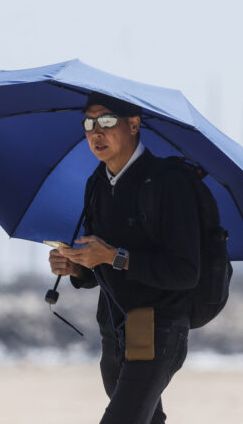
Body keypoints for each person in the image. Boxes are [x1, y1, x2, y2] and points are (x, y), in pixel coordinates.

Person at [48, 92, 201, 424]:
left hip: (158, 325)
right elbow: (95, 270)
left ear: (134, 124)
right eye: (88, 123)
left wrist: (116, 256)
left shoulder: (169, 182)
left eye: (105, 121)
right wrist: (75, 266)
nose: (95, 132)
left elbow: (186, 272)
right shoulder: (96, 184)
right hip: (114, 326)